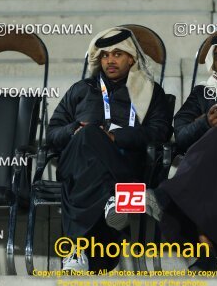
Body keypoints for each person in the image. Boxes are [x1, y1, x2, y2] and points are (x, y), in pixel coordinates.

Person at [107, 32, 217, 271]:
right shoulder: (203, 91)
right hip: (212, 167)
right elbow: (181, 132)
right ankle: (205, 257)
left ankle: (163, 196)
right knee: (212, 149)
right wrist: (205, 123)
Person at [46, 26, 172, 271]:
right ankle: (122, 194)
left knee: (89, 172)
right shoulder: (81, 90)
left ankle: (75, 250)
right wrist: (74, 129)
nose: (110, 60)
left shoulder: (149, 92)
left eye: (117, 54)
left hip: (118, 164)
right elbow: (52, 134)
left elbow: (160, 132)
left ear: (131, 58)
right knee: (89, 134)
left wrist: (116, 138)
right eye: (105, 55)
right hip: (75, 160)